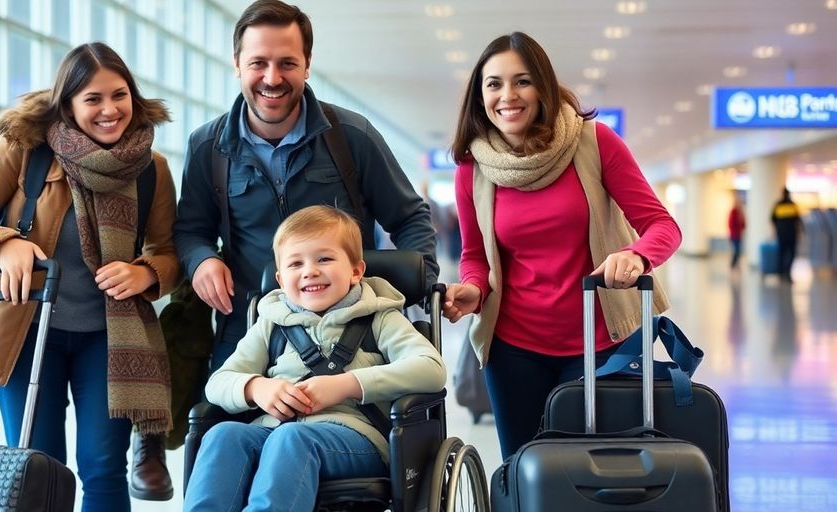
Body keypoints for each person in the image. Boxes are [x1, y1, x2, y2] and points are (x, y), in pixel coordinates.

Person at [0, 42, 180, 509]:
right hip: (23, 331)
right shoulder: (24, 150)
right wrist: (3, 243)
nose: (110, 110)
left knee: (103, 467)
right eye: (93, 99)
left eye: (119, 95)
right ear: (67, 104)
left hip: (109, 338)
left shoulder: (152, 169)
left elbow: (166, 252)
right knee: (35, 465)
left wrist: (145, 273)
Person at [441, 32, 681, 460]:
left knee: (597, 471)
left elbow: (662, 225)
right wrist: (473, 290)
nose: (507, 95)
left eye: (522, 81)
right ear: (480, 97)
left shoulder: (594, 142)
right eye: (494, 84)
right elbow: (476, 256)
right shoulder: (472, 168)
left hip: (600, 342)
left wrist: (635, 254)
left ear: (544, 87)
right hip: (512, 348)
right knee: (525, 469)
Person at [172, 0, 438, 374]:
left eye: (287, 63)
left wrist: (419, 285)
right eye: (258, 63)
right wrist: (201, 260)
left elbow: (409, 217)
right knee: (224, 433)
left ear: (307, 65)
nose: (272, 77)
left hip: (351, 333)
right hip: (252, 332)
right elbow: (190, 230)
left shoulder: (351, 137)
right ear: (237, 65)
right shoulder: (208, 148)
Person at [183, 205, 446, 511]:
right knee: (223, 435)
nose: (310, 271)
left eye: (324, 259)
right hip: (275, 431)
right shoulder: (271, 323)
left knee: (293, 439)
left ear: (356, 271)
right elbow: (218, 384)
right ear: (281, 280)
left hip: (355, 438)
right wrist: (257, 388)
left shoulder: (379, 316)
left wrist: (348, 385)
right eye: (296, 264)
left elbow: (432, 369)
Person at [771, 187, 802, 282]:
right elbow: (797, 221)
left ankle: (782, 273)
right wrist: (799, 233)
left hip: (782, 234)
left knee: (782, 253)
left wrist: (776, 230)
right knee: (791, 253)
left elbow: (773, 220)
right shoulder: (793, 205)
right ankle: (786, 273)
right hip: (791, 234)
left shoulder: (778, 205)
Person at [727, 192, 745, 270]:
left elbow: (744, 224)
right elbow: (731, 223)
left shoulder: (740, 212)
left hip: (739, 235)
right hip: (734, 235)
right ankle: (732, 265)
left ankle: (736, 265)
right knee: (736, 251)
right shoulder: (733, 212)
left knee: (738, 251)